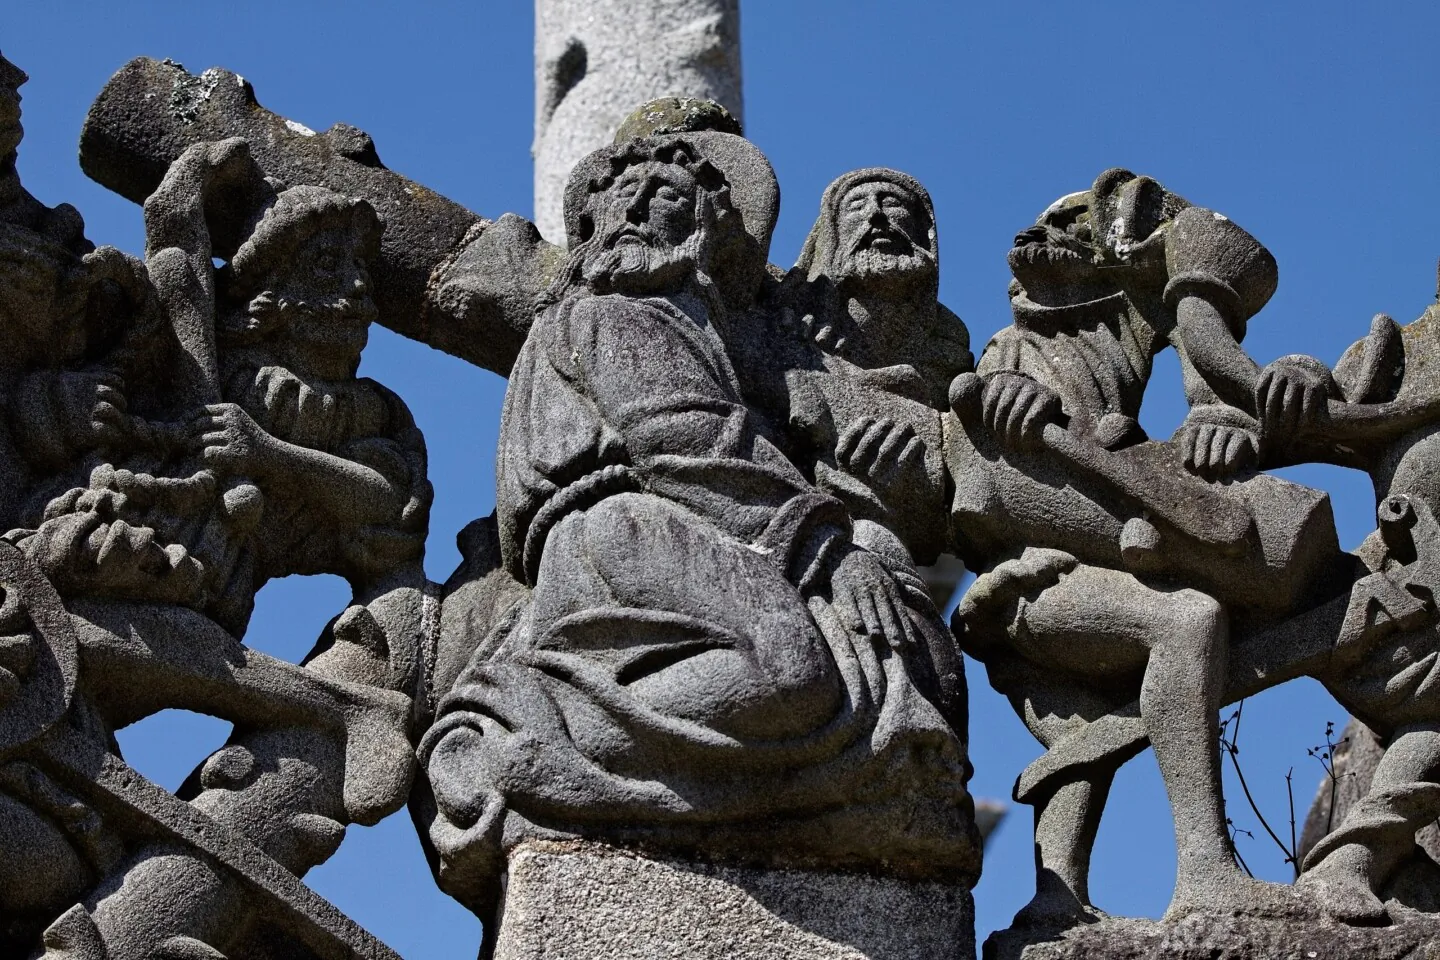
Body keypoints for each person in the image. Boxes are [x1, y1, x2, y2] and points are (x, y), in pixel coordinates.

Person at [420, 132, 979, 935]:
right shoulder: (612, 307)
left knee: (873, 663)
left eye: (668, 197)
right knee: (791, 671)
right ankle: (524, 736)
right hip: (618, 525)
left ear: (708, 227)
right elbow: (686, 437)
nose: (641, 210)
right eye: (623, 198)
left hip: (665, 523)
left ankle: (823, 782)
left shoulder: (686, 319)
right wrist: (827, 551)